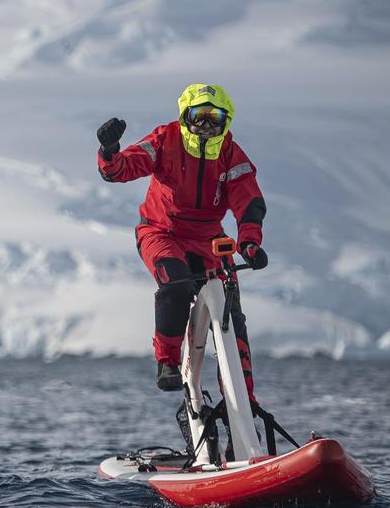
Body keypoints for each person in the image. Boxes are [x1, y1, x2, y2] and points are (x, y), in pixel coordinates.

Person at [96, 83, 267, 399]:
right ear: (185, 116)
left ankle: (244, 405)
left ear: (225, 121)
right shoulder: (164, 139)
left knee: (233, 319)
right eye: (198, 117)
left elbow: (249, 201)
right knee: (175, 285)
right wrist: (109, 153)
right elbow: (121, 169)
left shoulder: (231, 154)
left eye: (213, 118)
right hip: (161, 232)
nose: (205, 126)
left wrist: (250, 243)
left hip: (209, 239)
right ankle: (168, 363)